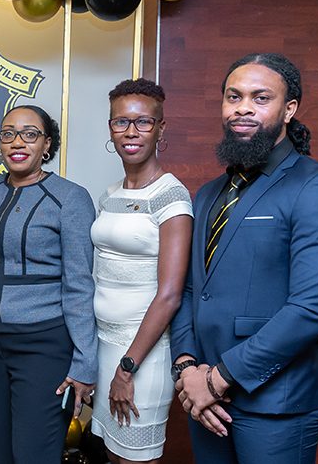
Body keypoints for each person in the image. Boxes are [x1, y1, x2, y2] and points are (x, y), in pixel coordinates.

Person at [170, 53, 318, 463]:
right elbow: (189, 290)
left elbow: (313, 309)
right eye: (233, 96)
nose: (243, 107)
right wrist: (186, 368)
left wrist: (221, 376)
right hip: (202, 398)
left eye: (260, 98)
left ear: (289, 109)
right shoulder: (206, 194)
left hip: (276, 401)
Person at [0, 105, 98, 464]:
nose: (17, 142)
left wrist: (86, 362)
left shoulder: (70, 198)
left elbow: (79, 284)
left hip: (42, 346)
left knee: (34, 453)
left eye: (30, 134)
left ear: (47, 143)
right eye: (8, 133)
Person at [90, 79, 192, 463]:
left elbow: (169, 295)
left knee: (135, 458)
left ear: (160, 129)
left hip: (141, 357)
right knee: (113, 456)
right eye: (121, 122)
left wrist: (127, 369)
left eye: (143, 122)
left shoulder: (171, 197)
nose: (130, 132)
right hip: (105, 347)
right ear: (111, 128)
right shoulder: (110, 194)